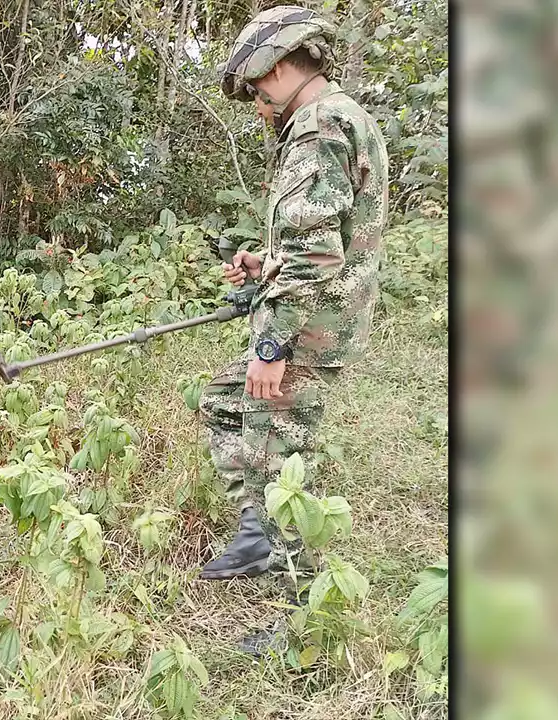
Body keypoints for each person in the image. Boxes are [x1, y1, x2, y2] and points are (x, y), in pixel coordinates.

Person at [195, 5, 390, 649]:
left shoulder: (319, 126)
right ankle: (257, 535)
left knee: (285, 467)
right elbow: (322, 238)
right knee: (224, 404)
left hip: (309, 328)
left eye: (255, 88)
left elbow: (316, 255)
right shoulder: (338, 118)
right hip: (319, 316)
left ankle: (303, 620)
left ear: (278, 68)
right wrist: (264, 261)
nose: (255, 103)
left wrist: (271, 343)